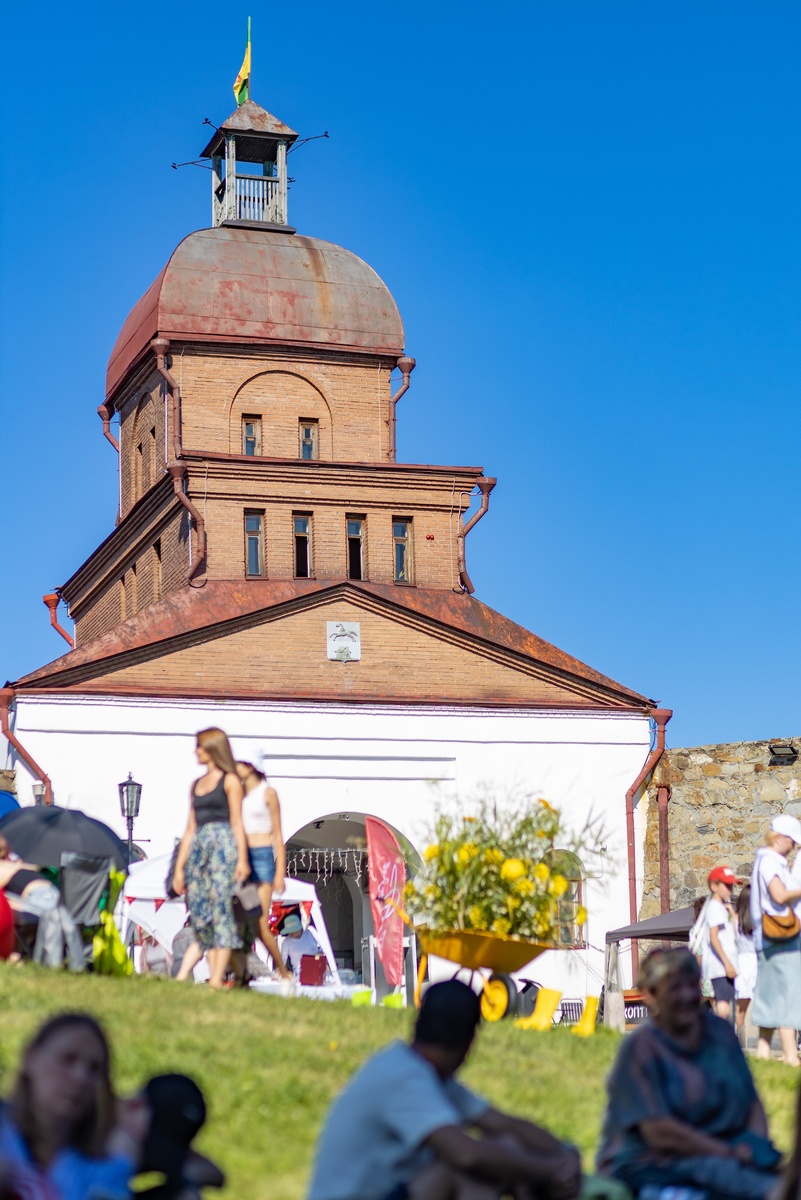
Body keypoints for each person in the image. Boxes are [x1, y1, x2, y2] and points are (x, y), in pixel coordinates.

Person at [307, 978, 582, 1200]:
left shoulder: (423, 1072)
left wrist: (565, 1153)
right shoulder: (403, 1077)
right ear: (470, 1042)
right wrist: (551, 1170)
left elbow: (503, 1125)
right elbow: (466, 1154)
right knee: (461, 1170)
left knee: (504, 1151)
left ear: (417, 1025)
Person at [597, 948, 782, 1199]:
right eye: (674, 988)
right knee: (765, 1190)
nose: (686, 996)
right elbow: (659, 1132)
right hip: (655, 1164)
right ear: (651, 995)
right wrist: (728, 1153)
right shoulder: (642, 1048)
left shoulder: (720, 1033)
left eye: (691, 985)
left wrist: (756, 1147)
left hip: (730, 1151)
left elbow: (751, 1102)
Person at [0, 1012, 148, 1200]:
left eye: (94, 1069)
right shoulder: (5, 1136)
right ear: (30, 1057)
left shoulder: (103, 1166)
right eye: (67, 1059)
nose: (81, 1077)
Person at [172, 727, 250, 989]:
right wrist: (179, 869)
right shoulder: (196, 785)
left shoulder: (229, 781)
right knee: (200, 914)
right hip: (199, 850)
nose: (196, 751)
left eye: (200, 746)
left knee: (220, 911)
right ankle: (195, 975)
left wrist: (242, 860)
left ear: (213, 748)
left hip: (223, 847)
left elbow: (238, 823)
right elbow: (190, 828)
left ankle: (215, 978)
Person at [749, 813, 801, 1066]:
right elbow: (779, 896)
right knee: (789, 994)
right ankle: (790, 1056)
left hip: (768, 938)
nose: (793, 846)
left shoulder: (764, 860)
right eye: (792, 841)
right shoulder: (772, 862)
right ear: (779, 838)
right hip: (781, 936)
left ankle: (762, 1051)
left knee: (770, 994)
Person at [235, 760, 293, 982]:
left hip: (262, 856)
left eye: (239, 763)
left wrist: (279, 872)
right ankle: (241, 975)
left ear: (250, 766)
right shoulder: (239, 792)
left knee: (259, 923)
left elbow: (277, 834)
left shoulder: (267, 793)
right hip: (244, 857)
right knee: (240, 921)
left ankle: (284, 973)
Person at [0, 835, 85, 970]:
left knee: (6, 907)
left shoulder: (2, 869)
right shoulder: (18, 866)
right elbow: (36, 868)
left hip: (38, 901)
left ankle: (14, 955)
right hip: (54, 896)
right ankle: (16, 954)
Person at [701, 865, 740, 1020]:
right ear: (714, 886)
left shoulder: (722, 908)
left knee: (727, 1008)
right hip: (721, 967)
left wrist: (732, 915)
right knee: (722, 1009)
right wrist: (727, 963)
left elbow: (733, 936)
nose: (730, 889)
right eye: (727, 885)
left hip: (727, 966)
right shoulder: (714, 907)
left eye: (731, 885)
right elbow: (713, 936)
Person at [735, 883, 758, 1041]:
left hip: (741, 963)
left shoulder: (733, 920)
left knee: (740, 1009)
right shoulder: (760, 920)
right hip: (757, 964)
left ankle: (733, 1038)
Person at [280, 910, 324, 976]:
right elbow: (282, 961)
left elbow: (324, 945)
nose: (294, 934)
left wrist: (320, 953)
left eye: (296, 931)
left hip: (316, 967)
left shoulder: (310, 931)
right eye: (291, 932)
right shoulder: (286, 942)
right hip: (299, 971)